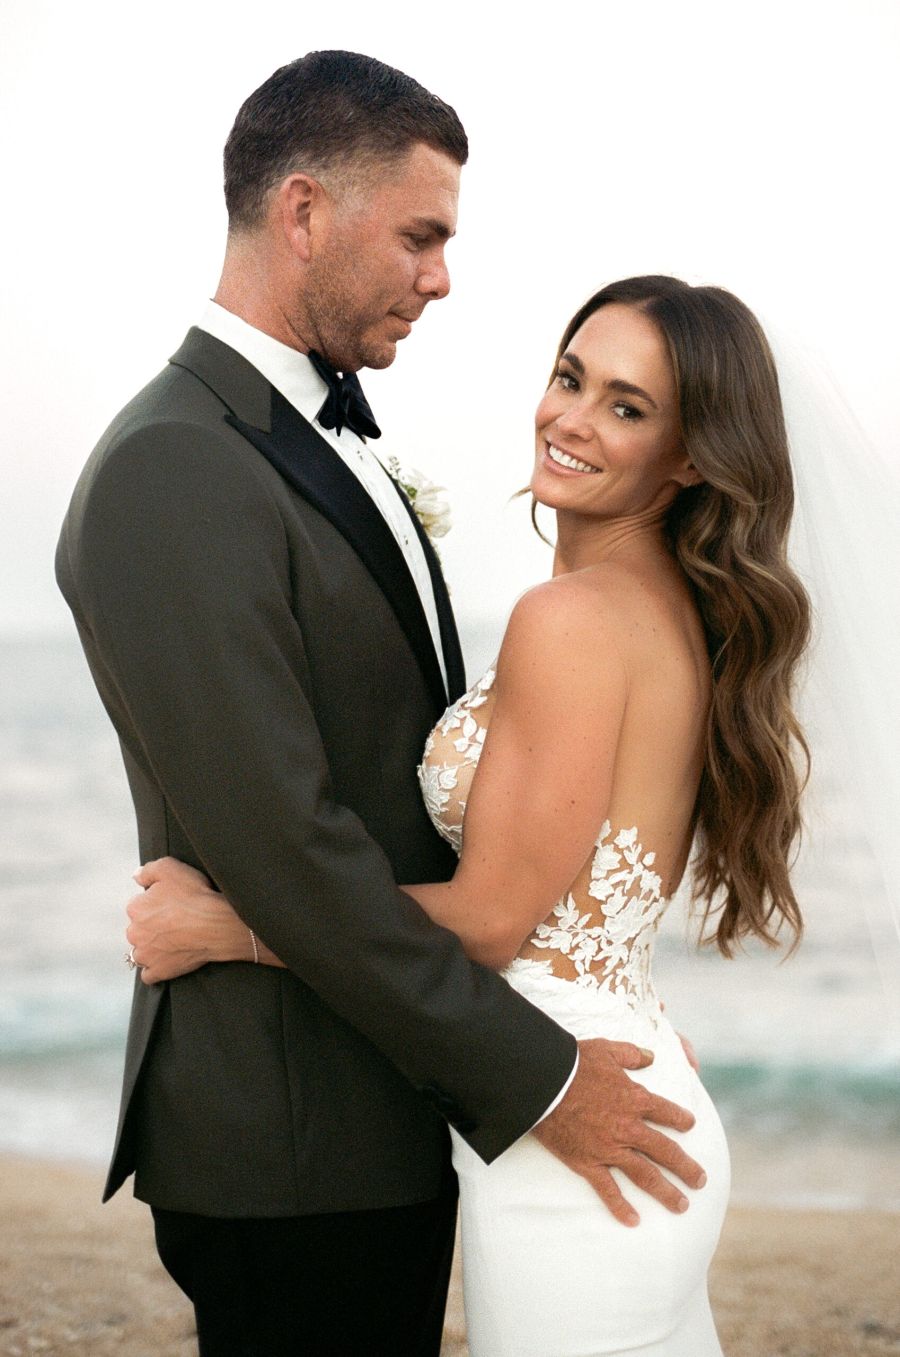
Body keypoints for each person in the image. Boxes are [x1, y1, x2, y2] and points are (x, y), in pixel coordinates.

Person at [55, 53, 704, 1357]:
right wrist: (538, 1081)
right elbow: (289, 844)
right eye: (420, 236)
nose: (442, 276)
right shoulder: (177, 468)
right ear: (303, 213)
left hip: (378, 1106)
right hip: (292, 1135)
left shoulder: (314, 440)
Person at [129, 274, 812, 1355]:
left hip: (574, 1139)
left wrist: (237, 927)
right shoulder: (667, 612)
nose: (573, 417)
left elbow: (493, 921)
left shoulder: (572, 620)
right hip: (622, 1090)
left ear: (689, 457)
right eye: (570, 376)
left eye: (627, 407)